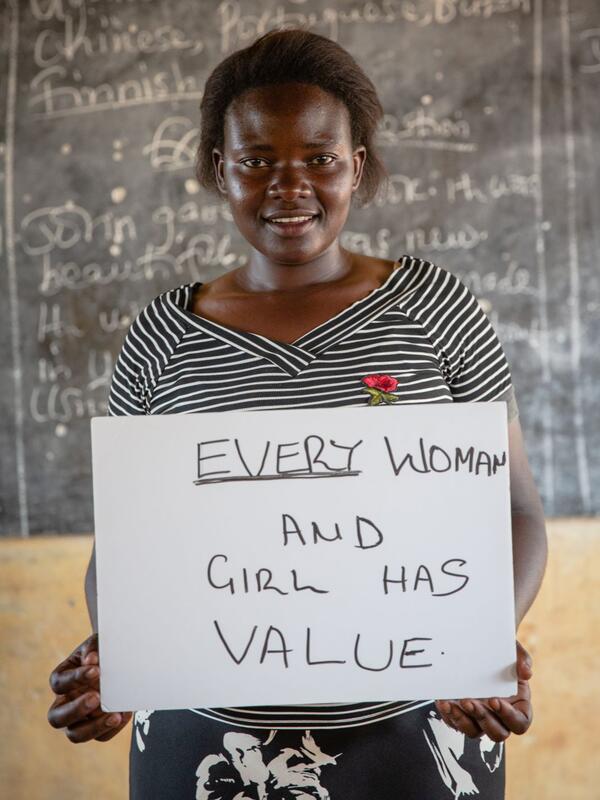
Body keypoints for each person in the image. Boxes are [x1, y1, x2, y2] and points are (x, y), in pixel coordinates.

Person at [47, 28, 547, 799]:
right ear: (221, 170)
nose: (290, 185)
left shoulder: (438, 312)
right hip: (204, 738)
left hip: (416, 730)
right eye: (257, 161)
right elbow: (125, 545)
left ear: (358, 165)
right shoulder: (161, 337)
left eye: (319, 157)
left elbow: (515, 512)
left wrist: (478, 647)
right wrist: (119, 647)